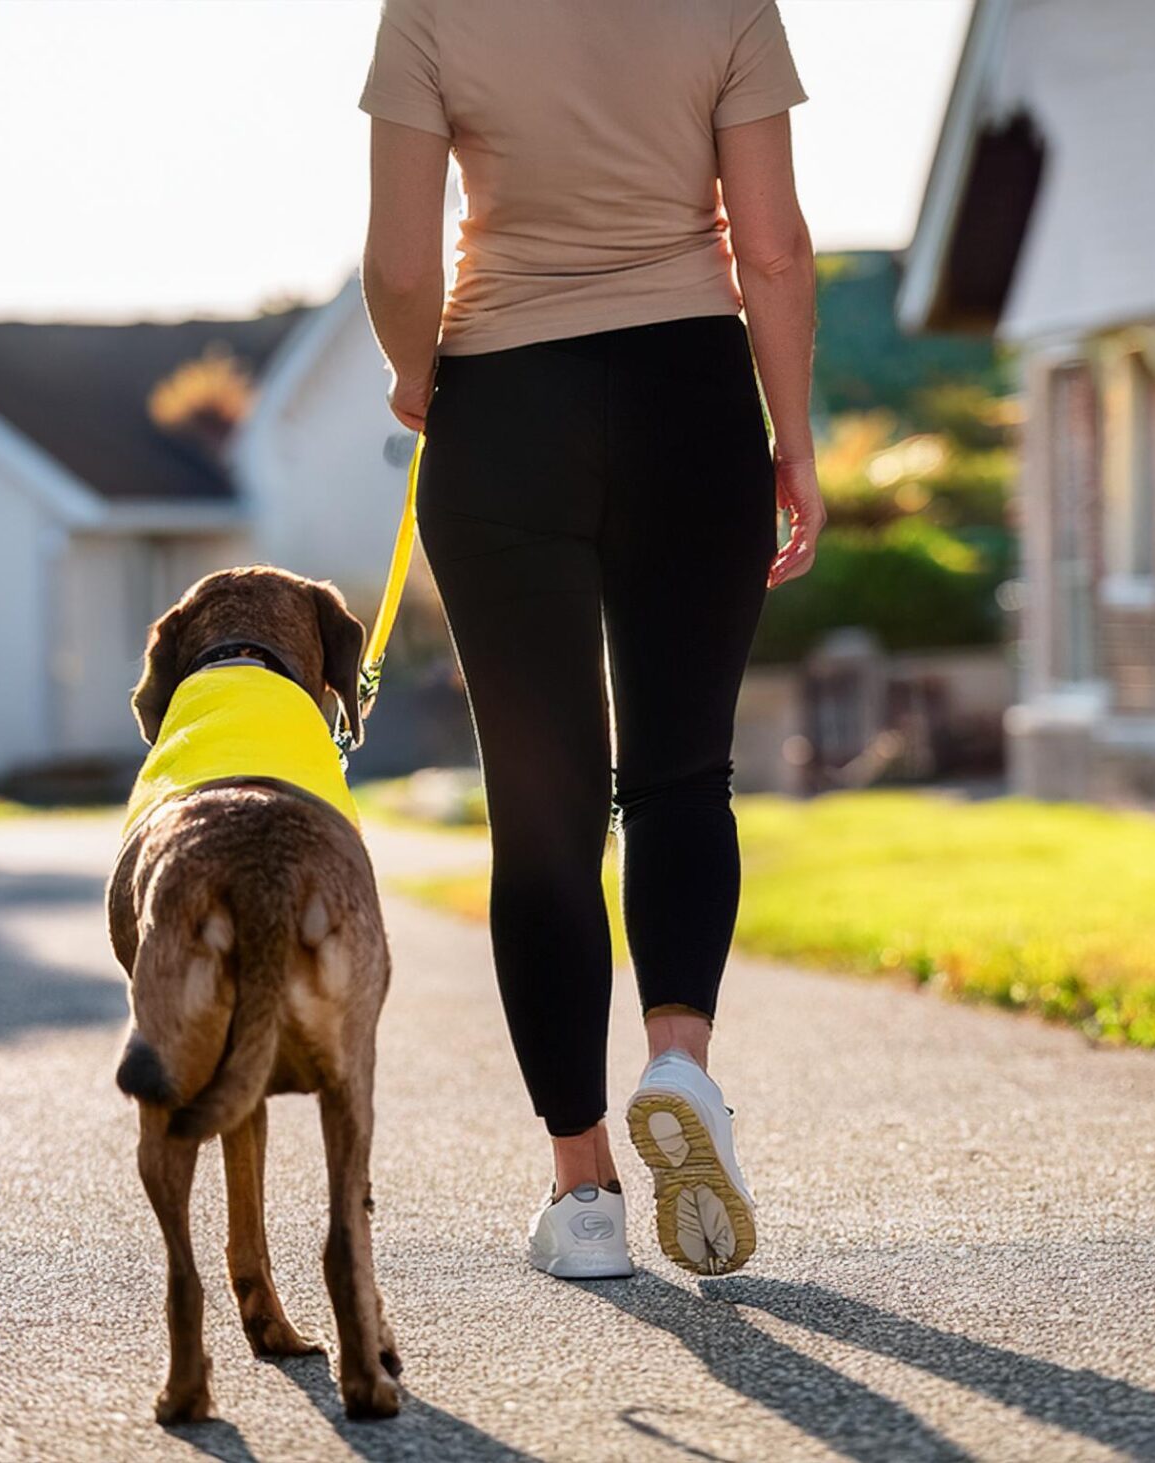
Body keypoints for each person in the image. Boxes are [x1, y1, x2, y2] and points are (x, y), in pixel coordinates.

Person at [358, 0, 820, 1279]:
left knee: (544, 808)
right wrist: (792, 441)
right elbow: (771, 249)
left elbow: (401, 264)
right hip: (689, 396)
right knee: (681, 772)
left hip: (505, 403)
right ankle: (682, 1070)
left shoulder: (432, 11)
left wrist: (418, 372)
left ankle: (586, 1197)